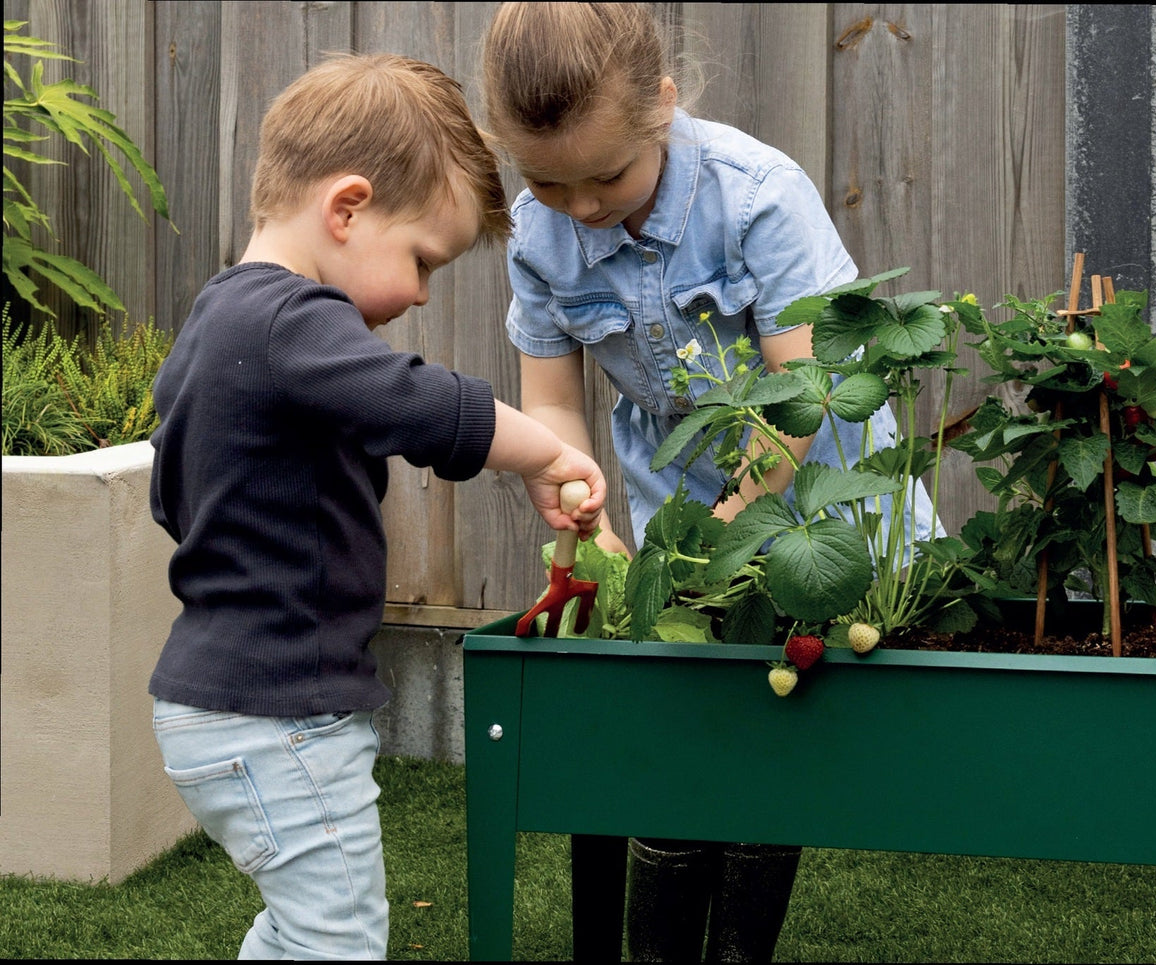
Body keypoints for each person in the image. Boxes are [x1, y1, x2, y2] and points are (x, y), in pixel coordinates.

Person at [479, 4, 943, 961]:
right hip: (682, 502)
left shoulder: (756, 195)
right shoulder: (538, 233)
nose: (583, 207)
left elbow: (797, 403)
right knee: (684, 713)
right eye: (548, 181)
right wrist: (577, 502)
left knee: (767, 724)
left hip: (817, 493)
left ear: (661, 103)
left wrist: (719, 540)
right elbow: (552, 405)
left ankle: (735, 951)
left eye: (606, 175)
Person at [146, 53, 606, 961]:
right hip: (282, 714)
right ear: (347, 208)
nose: (423, 294)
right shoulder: (291, 320)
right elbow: (417, 403)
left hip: (213, 703)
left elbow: (172, 487)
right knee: (340, 941)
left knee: (302, 930)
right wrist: (545, 451)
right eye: (423, 260)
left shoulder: (217, 319)